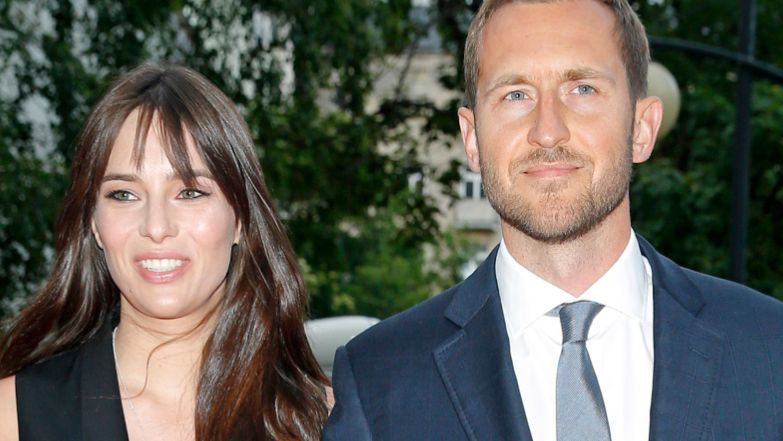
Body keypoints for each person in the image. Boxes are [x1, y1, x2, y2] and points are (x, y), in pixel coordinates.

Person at [322, 1, 783, 440]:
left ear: (641, 128)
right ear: (472, 138)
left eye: (581, 89)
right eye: (515, 94)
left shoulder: (769, 351)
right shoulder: (380, 380)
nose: (547, 131)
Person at [0, 64, 329, 441]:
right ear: (94, 222)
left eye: (190, 192)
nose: (156, 227)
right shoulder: (12, 417)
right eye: (124, 194)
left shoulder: (326, 419)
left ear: (240, 217)